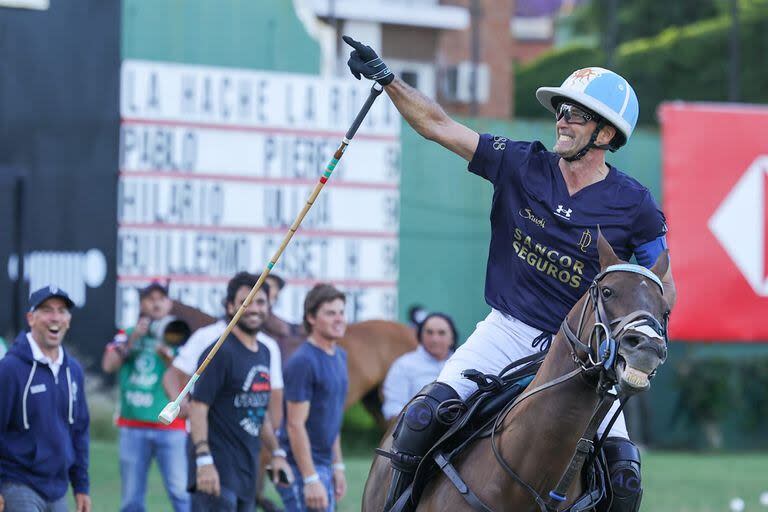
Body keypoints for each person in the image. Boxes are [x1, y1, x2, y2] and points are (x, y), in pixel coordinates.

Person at [343, 36, 677, 512]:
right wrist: (388, 78)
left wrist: (644, 337)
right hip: (507, 332)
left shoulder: (635, 205)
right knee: (420, 418)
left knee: (624, 477)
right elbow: (439, 126)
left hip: (584, 353)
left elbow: (662, 284)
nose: (562, 118)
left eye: (576, 113)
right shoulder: (521, 162)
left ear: (606, 133)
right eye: (561, 109)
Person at [187, 272, 292, 511]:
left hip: (247, 472)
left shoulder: (264, 351)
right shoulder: (218, 353)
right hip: (216, 471)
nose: (254, 308)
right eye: (246, 301)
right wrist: (203, 460)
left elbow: (259, 412)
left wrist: (277, 452)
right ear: (230, 306)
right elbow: (198, 408)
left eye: (260, 302)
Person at [0, 285, 91, 512]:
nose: (56, 318)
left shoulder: (74, 371)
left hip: (57, 488)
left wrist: (81, 486)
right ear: (31, 318)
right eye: (48, 310)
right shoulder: (10, 368)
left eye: (62, 311)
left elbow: (79, 431)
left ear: (68, 320)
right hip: (17, 482)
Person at [101, 282, 189, 512]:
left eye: (161, 298)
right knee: (131, 498)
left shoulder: (179, 335)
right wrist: (132, 340)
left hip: (171, 427)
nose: (156, 303)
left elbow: (188, 381)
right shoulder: (127, 334)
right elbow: (109, 365)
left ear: (169, 303)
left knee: (181, 493)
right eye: (150, 298)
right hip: (133, 426)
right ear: (142, 304)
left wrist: (169, 358)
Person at [276, 284, 349, 512]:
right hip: (299, 466)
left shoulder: (339, 356)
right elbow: (294, 425)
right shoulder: (303, 362)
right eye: (330, 313)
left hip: (324, 463)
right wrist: (309, 478)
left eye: (341, 312)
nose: (339, 319)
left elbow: (332, 417)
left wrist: (337, 465)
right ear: (311, 318)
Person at [381, 312, 458, 422]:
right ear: (420, 336)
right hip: (418, 432)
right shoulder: (404, 365)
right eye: (429, 332)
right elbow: (393, 408)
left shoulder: (461, 364)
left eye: (441, 333)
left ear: (452, 338)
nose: (435, 339)